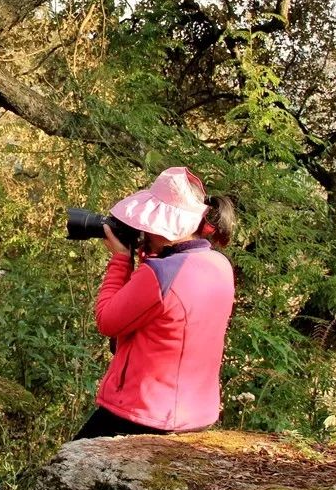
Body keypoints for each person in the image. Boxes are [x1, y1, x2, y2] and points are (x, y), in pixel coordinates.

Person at [74, 166, 236, 440]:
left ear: (160, 223)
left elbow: (107, 321)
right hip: (195, 415)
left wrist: (121, 260)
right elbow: (166, 310)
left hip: (144, 414)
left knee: (70, 469)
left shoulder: (160, 274)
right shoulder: (219, 265)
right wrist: (149, 259)